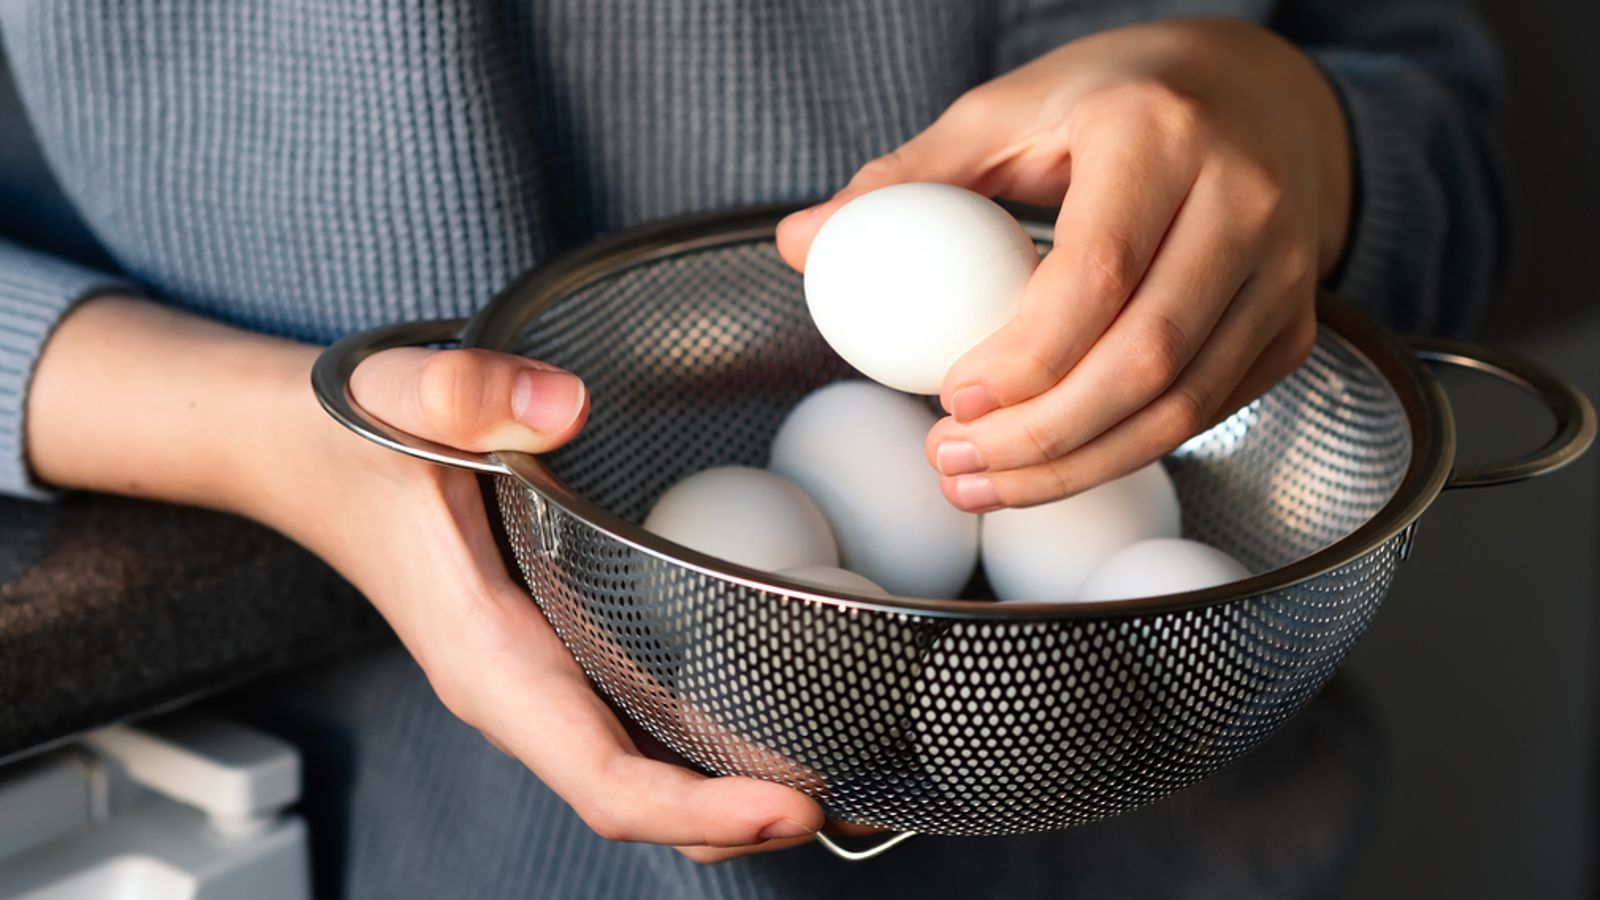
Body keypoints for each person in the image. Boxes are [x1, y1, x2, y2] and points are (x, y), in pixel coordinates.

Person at [0, 1, 1503, 895]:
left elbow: (1433, 112)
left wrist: (1293, 133)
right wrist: (266, 429)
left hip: (1152, 852)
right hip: (359, 832)